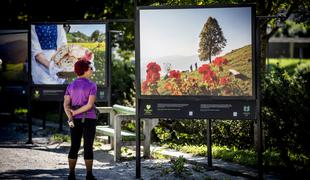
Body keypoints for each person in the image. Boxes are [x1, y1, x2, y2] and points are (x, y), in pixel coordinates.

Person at [63, 60, 97, 180]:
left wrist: (70, 116)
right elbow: (89, 105)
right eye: (90, 68)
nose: (92, 70)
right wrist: (76, 112)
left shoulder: (70, 86)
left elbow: (66, 105)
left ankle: (71, 174)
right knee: (88, 146)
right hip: (89, 119)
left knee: (74, 146)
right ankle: (89, 175)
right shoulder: (92, 85)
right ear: (85, 70)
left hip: (75, 120)